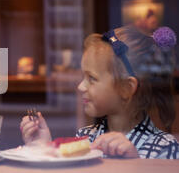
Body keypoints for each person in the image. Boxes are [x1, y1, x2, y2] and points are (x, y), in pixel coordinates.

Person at [20, 25, 179, 159]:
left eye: (92, 78)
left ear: (126, 88)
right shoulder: (85, 137)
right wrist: (42, 147)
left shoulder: (165, 149)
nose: (81, 86)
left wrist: (134, 163)